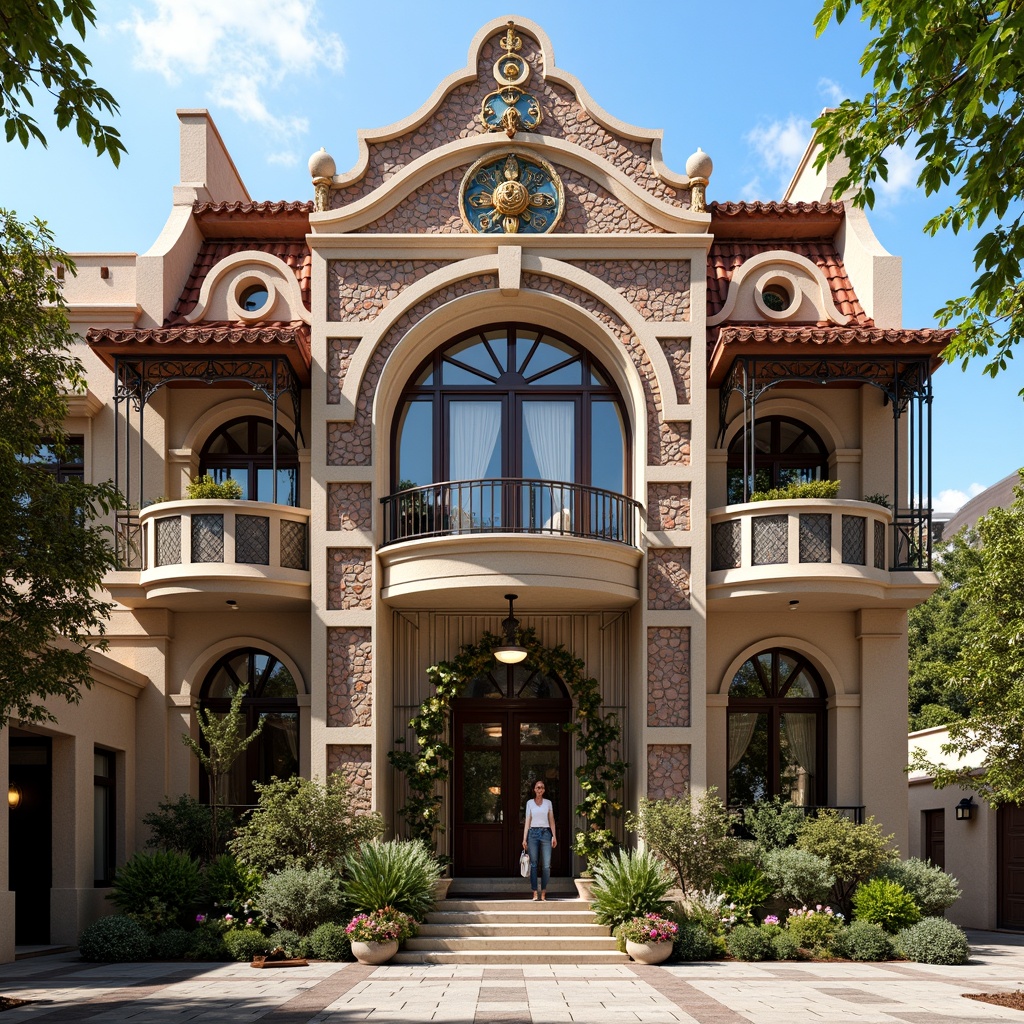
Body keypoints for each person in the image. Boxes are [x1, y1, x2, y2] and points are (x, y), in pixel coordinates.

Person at [521, 778, 557, 901]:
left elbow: (551, 820)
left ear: (544, 790)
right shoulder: (529, 803)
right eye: (537, 787)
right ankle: (535, 891)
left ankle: (544, 891)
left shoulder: (548, 803)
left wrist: (554, 836)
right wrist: (524, 838)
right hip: (533, 833)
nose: (540, 789)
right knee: (534, 864)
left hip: (546, 833)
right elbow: (527, 821)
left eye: (542, 787)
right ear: (534, 789)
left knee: (546, 865)